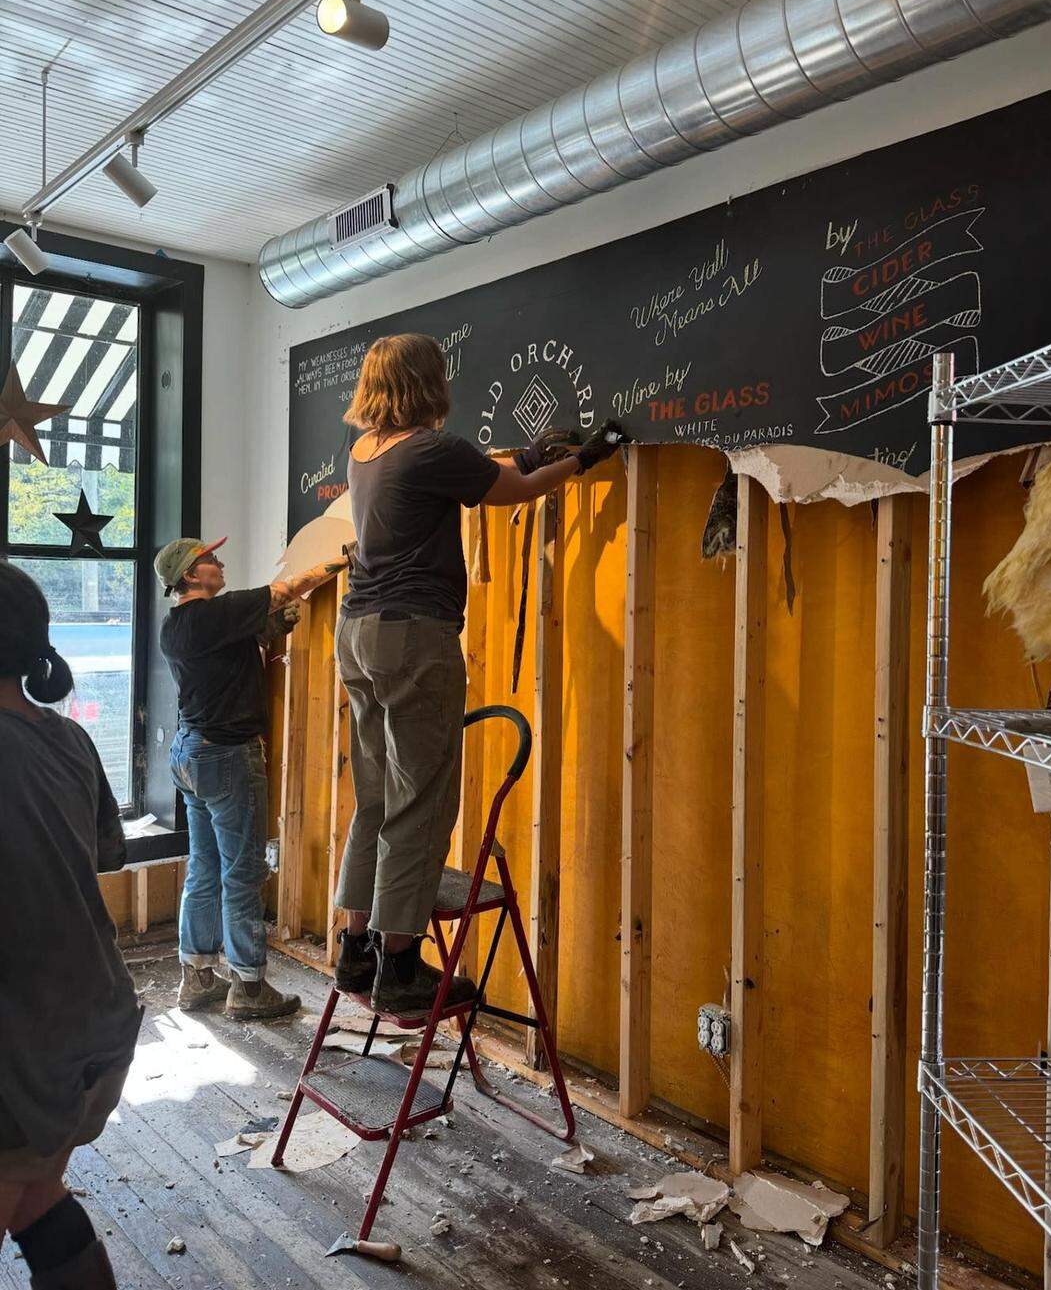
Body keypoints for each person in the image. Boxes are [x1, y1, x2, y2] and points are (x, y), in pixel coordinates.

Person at [332, 331, 626, 1015]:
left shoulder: (366, 451)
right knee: (422, 798)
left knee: (374, 797)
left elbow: (482, 471)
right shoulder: (433, 448)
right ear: (425, 382)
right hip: (413, 637)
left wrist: (525, 454)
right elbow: (515, 488)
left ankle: (356, 950)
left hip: (358, 634)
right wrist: (583, 459)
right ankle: (401, 965)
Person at [0, 563, 142, 1289]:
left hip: (26, 1058)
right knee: (35, 1199)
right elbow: (103, 856)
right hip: (98, 1031)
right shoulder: (71, 739)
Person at [156, 536, 348, 1020]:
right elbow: (290, 587)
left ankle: (197, 977)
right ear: (190, 575)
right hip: (226, 754)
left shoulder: (176, 626)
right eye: (208, 559)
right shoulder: (217, 614)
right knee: (242, 873)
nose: (219, 562)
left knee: (204, 866)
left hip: (190, 752)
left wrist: (268, 629)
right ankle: (248, 985)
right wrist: (342, 558)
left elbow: (232, 649)